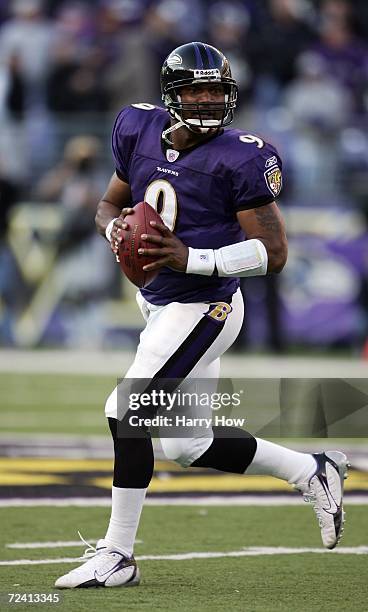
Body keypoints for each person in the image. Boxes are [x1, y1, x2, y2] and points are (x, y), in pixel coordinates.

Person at [55, 42, 348, 589]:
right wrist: (111, 229)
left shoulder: (241, 156)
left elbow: (275, 255)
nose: (209, 101)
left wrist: (196, 257)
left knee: (128, 411)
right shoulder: (137, 129)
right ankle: (313, 471)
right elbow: (108, 204)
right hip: (161, 303)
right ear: (172, 95)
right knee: (188, 444)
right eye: (198, 90)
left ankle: (118, 554)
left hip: (206, 304)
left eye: (218, 90)